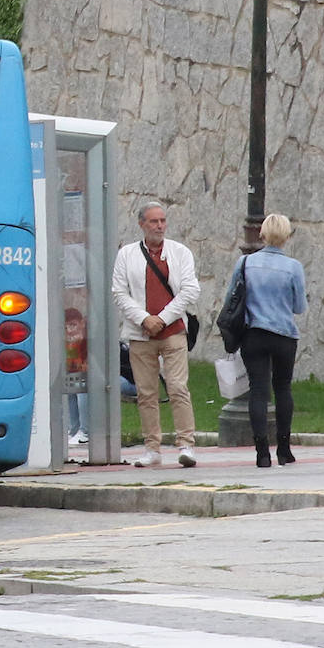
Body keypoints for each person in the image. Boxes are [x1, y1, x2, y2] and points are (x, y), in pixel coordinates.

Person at [111, 201, 200, 468]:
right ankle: (152, 448)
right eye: (153, 221)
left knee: (177, 387)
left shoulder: (179, 252)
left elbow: (190, 290)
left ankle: (186, 444)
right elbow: (119, 292)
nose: (159, 226)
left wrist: (162, 318)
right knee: (146, 392)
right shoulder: (127, 254)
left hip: (173, 331)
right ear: (142, 224)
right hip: (140, 334)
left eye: (162, 221)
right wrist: (144, 319)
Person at [224, 213, 307, 468]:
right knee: (283, 388)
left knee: (258, 389)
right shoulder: (293, 267)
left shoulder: (246, 262)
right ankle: (284, 448)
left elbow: (232, 297)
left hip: (254, 334)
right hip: (283, 335)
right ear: (286, 236)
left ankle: (262, 452)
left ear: (262, 234)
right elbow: (299, 306)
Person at [64, 308, 89, 446]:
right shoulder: (70, 342)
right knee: (71, 390)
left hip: (92, 376)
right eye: (66, 327)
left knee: (81, 389)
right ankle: (74, 429)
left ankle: (85, 431)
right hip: (75, 373)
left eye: (73, 325)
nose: (69, 330)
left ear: (82, 323)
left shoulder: (87, 339)